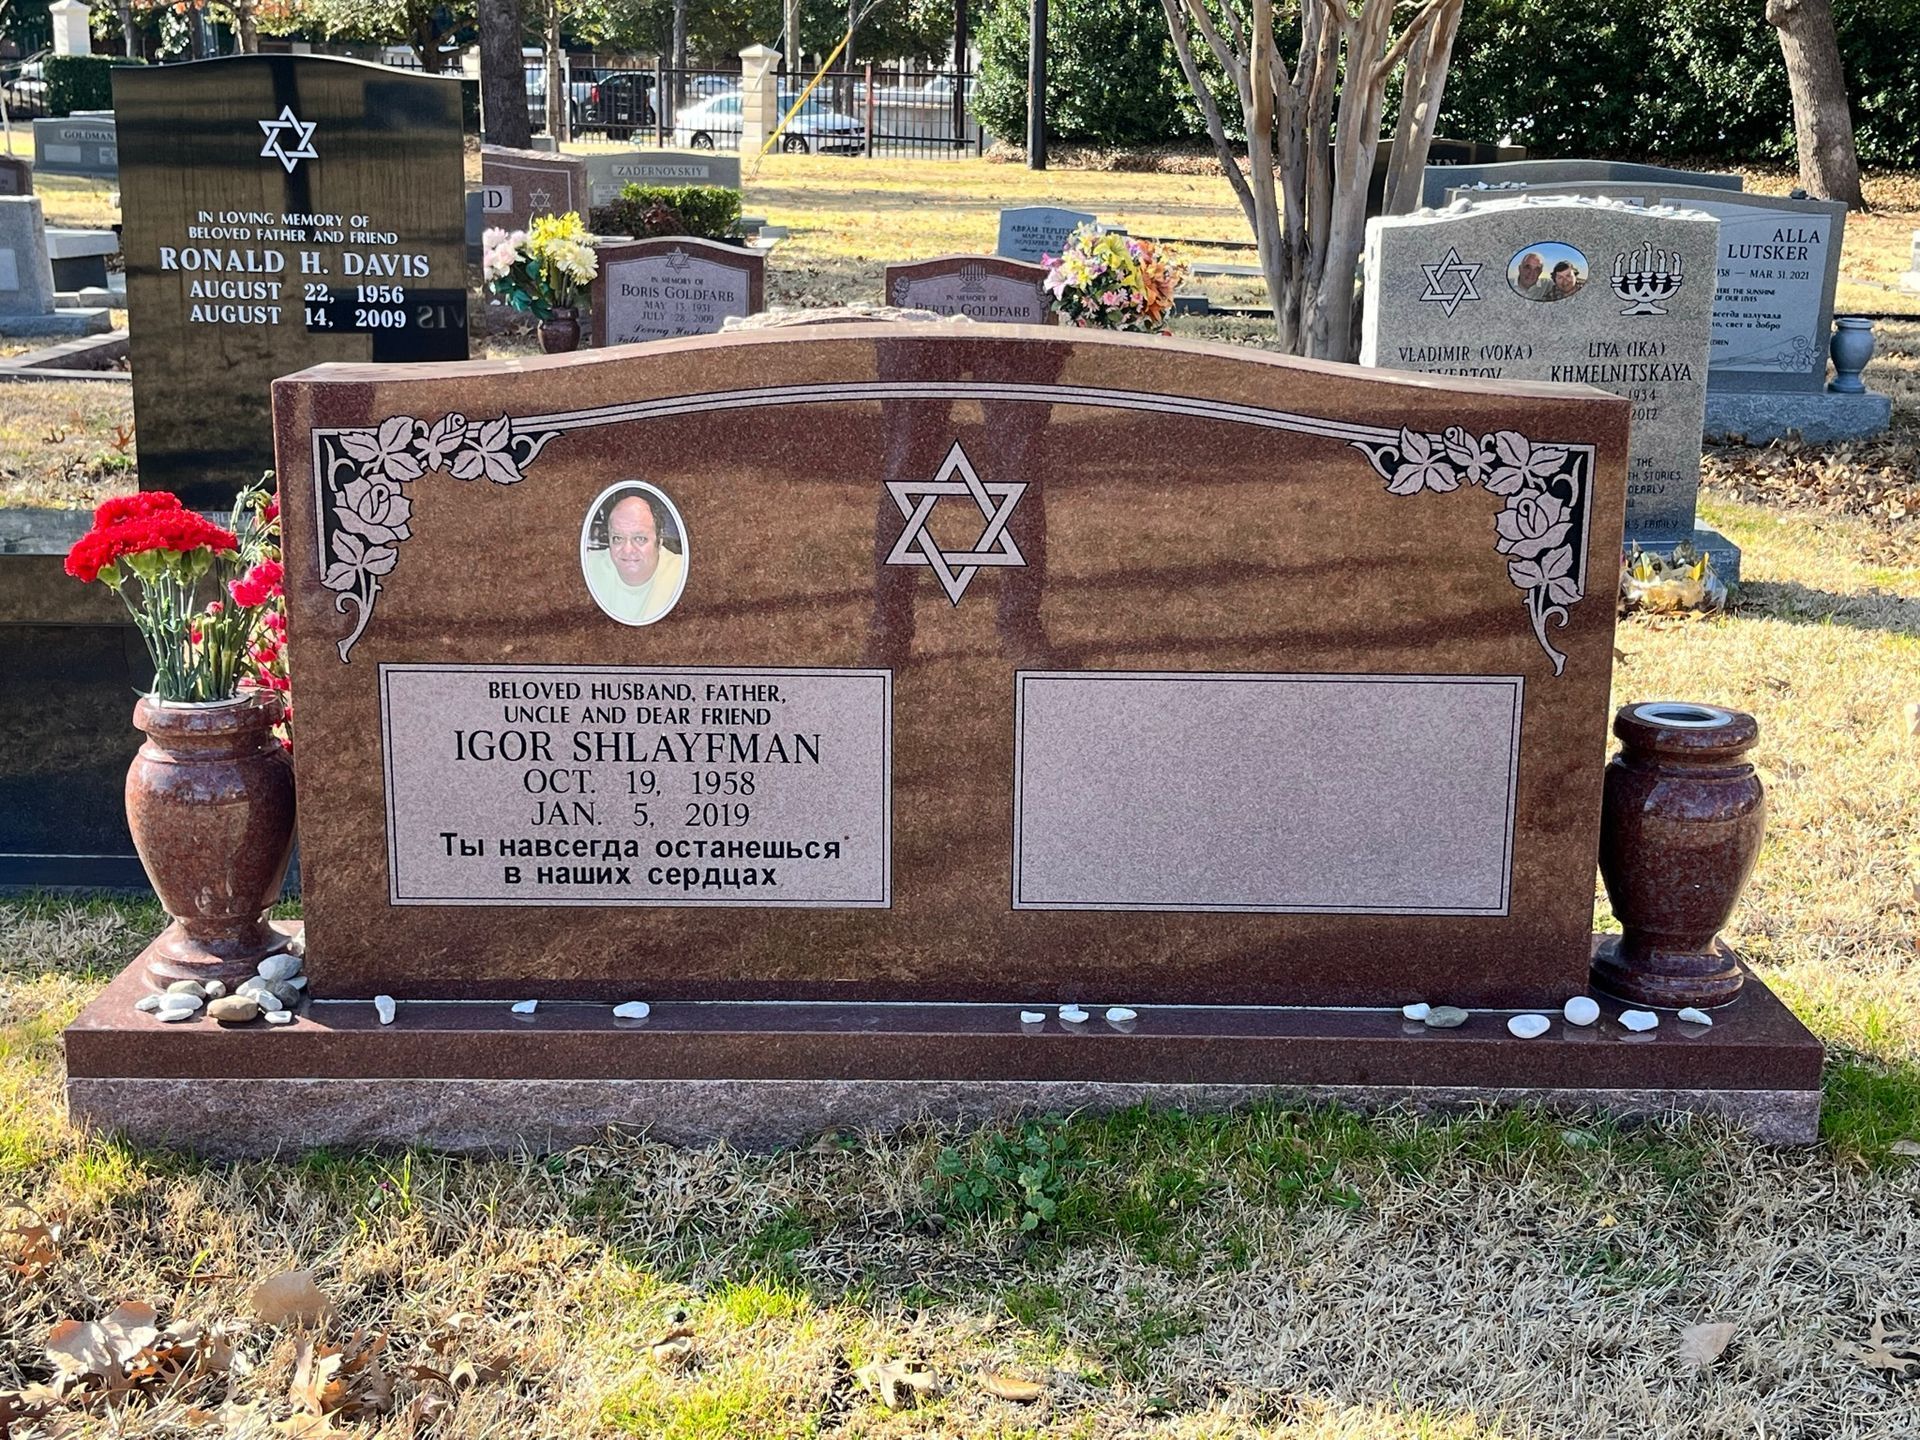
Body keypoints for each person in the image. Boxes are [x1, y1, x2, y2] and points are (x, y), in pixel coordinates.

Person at [582, 488, 685, 625]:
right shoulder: (588, 568)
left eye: (640, 538)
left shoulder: (682, 573)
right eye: (618, 538)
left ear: (659, 541)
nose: (627, 550)